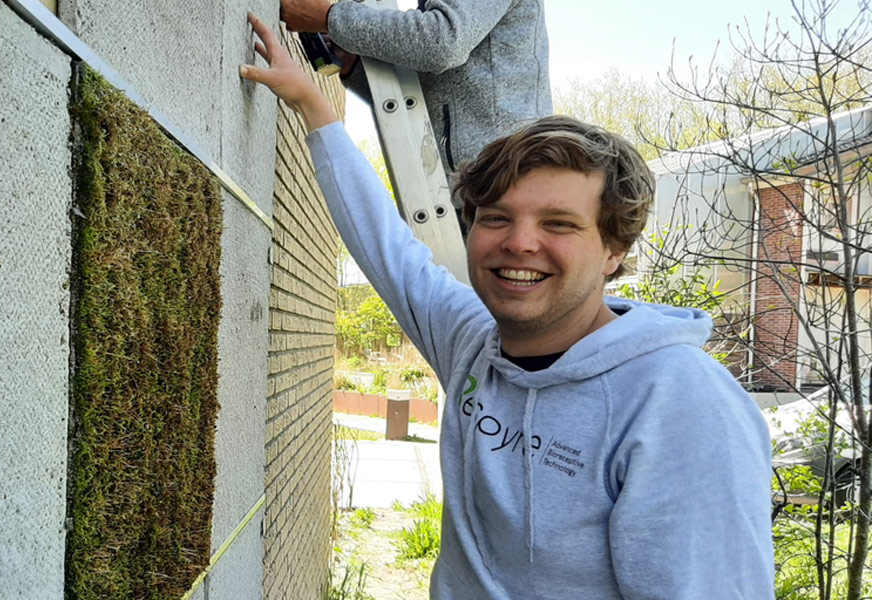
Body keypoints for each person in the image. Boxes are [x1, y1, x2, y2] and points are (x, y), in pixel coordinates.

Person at [240, 13, 773, 598]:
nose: (518, 242)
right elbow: (386, 249)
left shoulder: (679, 403)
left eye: (558, 224)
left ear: (613, 251)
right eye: (495, 218)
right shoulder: (474, 344)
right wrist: (316, 109)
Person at [279, 0, 552, 174]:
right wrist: (355, 68)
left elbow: (443, 42)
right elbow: (436, 84)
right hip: (468, 185)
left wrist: (330, 18)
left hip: (504, 178)